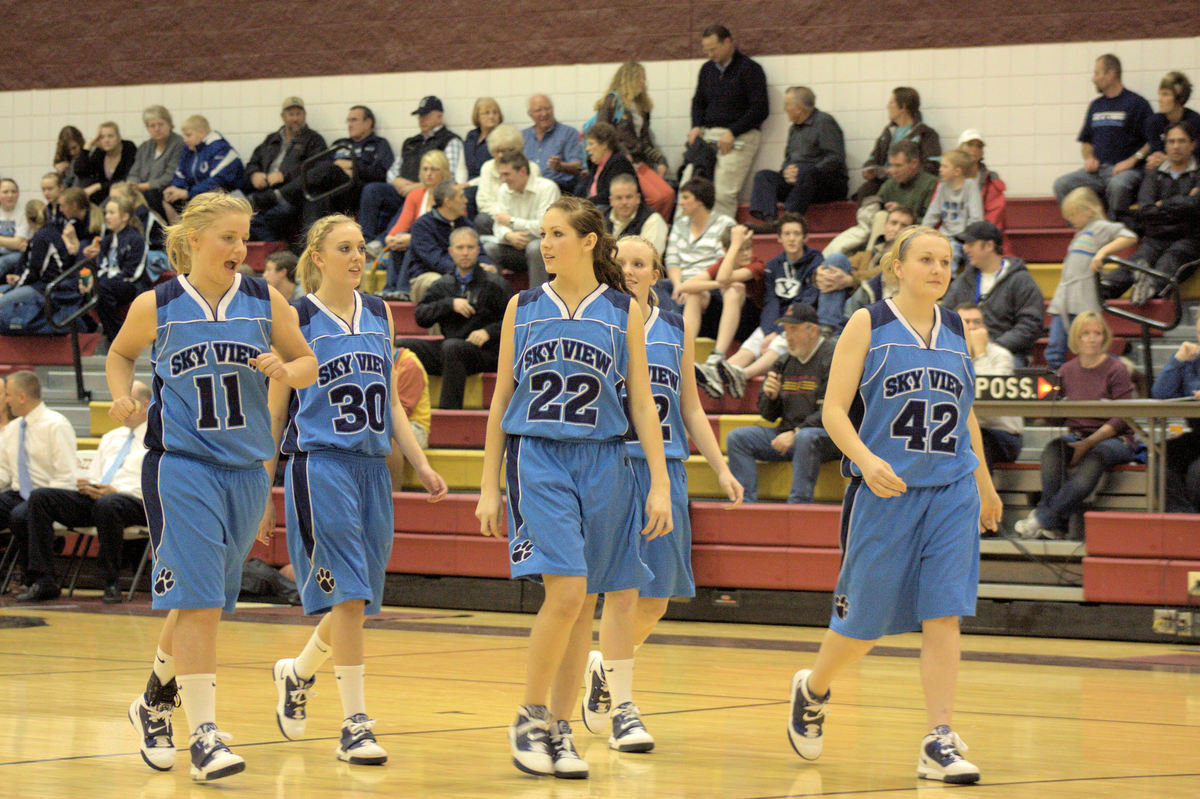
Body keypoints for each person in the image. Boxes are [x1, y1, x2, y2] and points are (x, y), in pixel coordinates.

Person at [112, 192, 317, 781]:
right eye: (228, 237)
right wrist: (123, 394)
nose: (241, 249)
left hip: (245, 469)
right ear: (195, 239)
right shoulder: (159, 303)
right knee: (199, 601)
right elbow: (122, 354)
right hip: (181, 465)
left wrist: (286, 369)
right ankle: (202, 735)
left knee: (203, 602)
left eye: (245, 237)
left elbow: (306, 363)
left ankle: (153, 701)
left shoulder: (264, 299)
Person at [788, 225, 1001, 785]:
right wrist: (867, 458)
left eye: (946, 261)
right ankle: (814, 688)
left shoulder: (956, 327)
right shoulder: (869, 323)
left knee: (944, 613)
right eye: (926, 259)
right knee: (863, 625)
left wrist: (984, 482)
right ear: (897, 267)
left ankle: (938, 739)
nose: (937, 269)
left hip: (951, 489)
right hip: (886, 491)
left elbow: (965, 410)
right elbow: (833, 410)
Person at [475, 197, 672, 778]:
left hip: (608, 459)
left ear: (589, 241)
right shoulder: (523, 306)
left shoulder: (621, 310)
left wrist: (659, 482)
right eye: (544, 234)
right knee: (564, 593)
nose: (546, 244)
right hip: (538, 457)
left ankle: (561, 727)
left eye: (557, 233)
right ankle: (530, 716)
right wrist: (489, 485)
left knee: (584, 600)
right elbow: (501, 401)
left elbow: (642, 400)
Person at [261, 214, 446, 766]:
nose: (358, 256)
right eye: (345, 248)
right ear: (318, 257)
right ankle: (354, 723)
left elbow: (389, 399)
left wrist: (420, 461)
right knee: (348, 595)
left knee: (357, 598)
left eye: (361, 247)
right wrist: (260, 489)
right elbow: (275, 411)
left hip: (371, 467)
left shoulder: (381, 312)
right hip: (319, 465)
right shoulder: (294, 317)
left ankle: (297, 673)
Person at [580, 234, 742, 738]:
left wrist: (720, 467)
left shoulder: (674, 327)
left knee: (657, 598)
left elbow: (690, 406)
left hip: (666, 468)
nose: (628, 269)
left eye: (639, 263)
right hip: (614, 461)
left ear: (657, 272)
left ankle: (604, 670)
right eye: (620, 261)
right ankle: (624, 705)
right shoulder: (597, 320)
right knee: (620, 590)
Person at [22, 381, 152, 603]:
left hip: (138, 502)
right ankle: (43, 578)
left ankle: (109, 580)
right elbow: (97, 474)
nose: (119, 407)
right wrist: (89, 485)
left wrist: (116, 490)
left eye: (126, 402)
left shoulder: (158, 440)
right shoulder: (112, 437)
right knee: (41, 497)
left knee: (109, 503)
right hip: (101, 500)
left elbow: (156, 484)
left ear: (146, 405)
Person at [1015, 313, 1135, 540]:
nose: (1091, 339)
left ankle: (1041, 519)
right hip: (1078, 435)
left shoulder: (1116, 369)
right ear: (1076, 339)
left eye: (1097, 333)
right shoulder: (1066, 371)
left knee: (1095, 458)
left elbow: (1122, 417)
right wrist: (1045, 410)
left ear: (1104, 337)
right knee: (1052, 451)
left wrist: (1088, 443)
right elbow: (1058, 416)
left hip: (1114, 438)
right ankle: (1054, 525)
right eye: (1085, 334)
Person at [725, 302, 839, 503]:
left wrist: (795, 434)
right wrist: (771, 397)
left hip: (827, 437)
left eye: (793, 330)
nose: (787, 337)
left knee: (806, 437)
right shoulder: (784, 360)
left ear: (812, 331)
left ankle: (798, 505)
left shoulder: (833, 356)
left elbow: (832, 412)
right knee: (738, 438)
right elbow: (768, 415)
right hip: (788, 433)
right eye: (785, 330)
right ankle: (745, 504)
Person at [398, 226, 511, 409]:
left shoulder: (495, 284)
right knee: (403, 346)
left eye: (470, 247)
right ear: (451, 252)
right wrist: (448, 304)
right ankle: (403, 408)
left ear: (477, 250)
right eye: (460, 248)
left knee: (452, 347)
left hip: (486, 353)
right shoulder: (442, 285)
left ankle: (448, 413)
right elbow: (421, 316)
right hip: (451, 350)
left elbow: (515, 322)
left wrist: (488, 332)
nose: (465, 253)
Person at [0, 371, 78, 601]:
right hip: (18, 494)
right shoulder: (12, 430)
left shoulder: (55, 424)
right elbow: (4, 473)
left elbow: (66, 475)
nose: (6, 400)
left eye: (8, 395)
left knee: (23, 513)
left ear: (22, 397)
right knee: (16, 510)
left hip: (50, 495)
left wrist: (41, 500)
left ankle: (42, 580)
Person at [1102, 121, 1200, 305]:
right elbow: (1145, 210)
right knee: (1139, 259)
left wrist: (1162, 205)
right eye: (1171, 142)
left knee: (1171, 260)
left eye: (1181, 141)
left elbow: (1196, 205)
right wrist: (1182, 205)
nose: (1176, 146)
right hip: (1157, 236)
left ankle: (1149, 288)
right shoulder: (1154, 173)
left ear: (1193, 144)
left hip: (1190, 240)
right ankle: (1105, 288)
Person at [1046, 187, 1137, 369]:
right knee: (1054, 349)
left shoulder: (1099, 228)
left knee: (1091, 349)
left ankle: (1121, 368)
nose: (1070, 220)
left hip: (1083, 299)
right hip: (1065, 298)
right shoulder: (1082, 232)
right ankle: (1057, 389)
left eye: (1073, 214)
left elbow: (1129, 236)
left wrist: (1102, 252)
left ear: (1089, 210)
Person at [1052, 54, 1153, 216]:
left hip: (1127, 171)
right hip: (1098, 172)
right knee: (1062, 184)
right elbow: (1086, 142)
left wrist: (1131, 161)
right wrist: (1089, 158)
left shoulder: (1137, 104)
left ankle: (1114, 231)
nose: (1093, 79)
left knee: (1118, 185)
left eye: (1097, 73)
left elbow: (1152, 141)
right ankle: (1083, 231)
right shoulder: (1096, 106)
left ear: (1111, 74)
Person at [687, 24, 768, 219]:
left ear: (728, 42)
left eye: (713, 49)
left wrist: (733, 131)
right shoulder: (707, 70)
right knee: (689, 187)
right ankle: (687, 237)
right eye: (706, 50)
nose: (709, 54)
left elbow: (760, 109)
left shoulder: (750, 69)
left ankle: (720, 240)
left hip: (740, 136)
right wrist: (696, 126)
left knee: (724, 192)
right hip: (709, 134)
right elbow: (698, 102)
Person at [939, 221, 1044, 367]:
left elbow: (1030, 325)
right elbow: (945, 317)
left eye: (970, 244)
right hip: (965, 352)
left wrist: (995, 346)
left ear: (989, 246)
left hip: (1008, 352)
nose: (965, 249)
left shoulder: (1020, 281)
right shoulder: (964, 280)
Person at [359, 96, 465, 240]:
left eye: (426, 115)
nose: (421, 119)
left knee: (414, 197)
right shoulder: (411, 142)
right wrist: (397, 181)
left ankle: (382, 243)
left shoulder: (450, 141)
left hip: (428, 190)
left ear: (439, 117)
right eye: (420, 115)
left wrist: (419, 186)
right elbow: (392, 171)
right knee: (372, 190)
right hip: (402, 189)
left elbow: (449, 175)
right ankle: (365, 238)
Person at [683, 224, 766, 398]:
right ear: (726, 251)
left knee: (734, 289)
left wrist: (735, 246)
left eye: (748, 248)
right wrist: (716, 284)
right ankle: (684, 353)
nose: (746, 253)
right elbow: (687, 285)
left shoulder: (756, 265)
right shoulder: (723, 262)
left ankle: (717, 356)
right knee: (695, 294)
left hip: (749, 324)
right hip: (726, 321)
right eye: (740, 249)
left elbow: (724, 277)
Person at [748, 86, 847, 226]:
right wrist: (787, 172)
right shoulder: (793, 129)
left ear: (798, 108)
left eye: (787, 104)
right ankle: (770, 221)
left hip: (825, 185)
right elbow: (788, 160)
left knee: (806, 171)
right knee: (763, 176)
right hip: (800, 185)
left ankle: (789, 220)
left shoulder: (824, 122)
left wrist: (804, 171)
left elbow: (835, 158)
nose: (784, 109)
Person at [824, 140, 938, 258]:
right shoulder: (890, 184)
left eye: (898, 165)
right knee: (875, 217)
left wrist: (901, 212)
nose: (892, 171)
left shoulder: (931, 184)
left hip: (912, 235)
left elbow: (930, 223)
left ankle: (870, 260)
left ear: (914, 163)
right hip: (883, 234)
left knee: (882, 217)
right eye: (890, 165)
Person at [592, 62, 673, 216]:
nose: (643, 82)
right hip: (621, 163)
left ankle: (655, 230)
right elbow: (601, 133)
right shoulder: (613, 102)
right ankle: (642, 228)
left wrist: (660, 160)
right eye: (640, 78)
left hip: (638, 160)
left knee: (668, 195)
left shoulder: (641, 107)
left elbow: (644, 141)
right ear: (628, 79)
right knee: (654, 198)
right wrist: (622, 152)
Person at [294, 106, 394, 231]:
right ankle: (311, 244)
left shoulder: (379, 144)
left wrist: (352, 166)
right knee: (314, 193)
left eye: (354, 120)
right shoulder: (340, 143)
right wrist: (338, 167)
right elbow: (320, 167)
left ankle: (286, 193)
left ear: (368, 123)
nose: (349, 125)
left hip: (356, 191)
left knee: (330, 172)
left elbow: (382, 173)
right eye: (348, 121)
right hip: (333, 189)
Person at [245, 97, 328, 242]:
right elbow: (253, 162)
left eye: (298, 114)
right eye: (291, 114)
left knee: (267, 217)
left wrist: (285, 176)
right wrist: (254, 174)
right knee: (238, 213)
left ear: (304, 116)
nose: (295, 118)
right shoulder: (271, 139)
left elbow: (316, 170)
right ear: (283, 117)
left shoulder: (314, 140)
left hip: (292, 195)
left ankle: (276, 252)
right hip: (264, 191)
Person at [375, 150, 455, 298]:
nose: (428, 174)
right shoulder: (416, 195)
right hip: (416, 244)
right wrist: (392, 238)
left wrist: (414, 239)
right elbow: (400, 226)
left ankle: (404, 290)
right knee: (398, 243)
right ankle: (389, 290)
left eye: (433, 169)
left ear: (443, 172)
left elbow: (451, 232)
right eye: (425, 169)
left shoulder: (451, 196)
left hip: (439, 248)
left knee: (413, 245)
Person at [390, 181, 484, 304]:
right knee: (439, 284)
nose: (466, 200)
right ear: (448, 202)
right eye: (461, 196)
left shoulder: (467, 225)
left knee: (491, 280)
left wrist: (487, 265)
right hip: (425, 276)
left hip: (460, 272)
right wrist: (466, 270)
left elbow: (481, 252)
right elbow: (435, 260)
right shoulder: (421, 226)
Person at [956, 304, 1023, 471]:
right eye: (966, 322)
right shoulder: (947, 355)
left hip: (1002, 435)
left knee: (975, 440)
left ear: (985, 327)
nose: (972, 327)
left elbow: (988, 391)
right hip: (961, 433)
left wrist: (980, 355)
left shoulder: (1001, 356)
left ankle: (983, 496)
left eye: (977, 322)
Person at [482, 152, 561, 287]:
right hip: (514, 246)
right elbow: (499, 224)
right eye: (501, 175)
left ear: (523, 171)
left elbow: (545, 229)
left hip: (545, 246)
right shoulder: (504, 190)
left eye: (507, 174)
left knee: (535, 248)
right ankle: (500, 296)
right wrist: (508, 235)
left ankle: (537, 298)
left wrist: (512, 222)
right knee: (488, 248)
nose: (503, 179)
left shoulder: (547, 188)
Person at [1150, 312, 1200, 512]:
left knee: (1197, 472)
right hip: (1197, 435)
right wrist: (1177, 361)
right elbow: (1161, 394)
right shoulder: (1190, 359)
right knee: (1159, 454)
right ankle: (1183, 517)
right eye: (1199, 332)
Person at [855, 87, 942, 201]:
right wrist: (869, 170)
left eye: (891, 102)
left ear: (903, 107)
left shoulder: (926, 133)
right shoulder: (887, 133)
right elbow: (873, 158)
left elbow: (933, 166)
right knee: (865, 192)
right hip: (884, 180)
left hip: (912, 183)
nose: (888, 106)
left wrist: (904, 171)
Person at [85, 195, 149, 348]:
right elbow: (102, 267)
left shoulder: (136, 240)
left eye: (112, 213)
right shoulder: (107, 240)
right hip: (108, 284)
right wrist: (89, 281)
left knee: (102, 287)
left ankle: (118, 336)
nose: (107, 217)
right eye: (106, 213)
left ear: (125, 217)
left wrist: (100, 282)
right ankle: (91, 331)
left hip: (130, 285)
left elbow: (133, 273)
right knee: (79, 284)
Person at [664, 177, 735, 303]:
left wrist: (691, 286)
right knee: (652, 288)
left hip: (709, 284)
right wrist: (678, 286)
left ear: (700, 201)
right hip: (680, 282)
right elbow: (672, 261)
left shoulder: (725, 224)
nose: (680, 203)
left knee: (694, 296)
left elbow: (722, 262)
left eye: (685, 197)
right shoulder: (679, 224)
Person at [163, 117, 245, 223]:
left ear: (201, 133)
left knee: (205, 206)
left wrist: (188, 193)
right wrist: (174, 189)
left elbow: (218, 182)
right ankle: (179, 235)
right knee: (165, 199)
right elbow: (180, 174)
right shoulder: (189, 149)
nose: (184, 139)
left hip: (229, 197)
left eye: (188, 135)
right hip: (198, 196)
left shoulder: (221, 149)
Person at [840, 206, 914, 319]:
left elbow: (882, 273)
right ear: (885, 226)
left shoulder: (905, 257)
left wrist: (852, 279)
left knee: (851, 301)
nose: (896, 229)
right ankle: (827, 328)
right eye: (893, 223)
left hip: (877, 299)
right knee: (836, 260)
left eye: (903, 226)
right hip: (858, 293)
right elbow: (854, 261)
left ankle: (832, 330)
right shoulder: (874, 248)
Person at [0, 200, 69, 315]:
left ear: (28, 219)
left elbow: (33, 271)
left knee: (2, 298)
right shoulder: (45, 233)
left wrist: (13, 289)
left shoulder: (41, 238)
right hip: (39, 283)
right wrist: (18, 278)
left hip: (46, 287)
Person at [473, 124, 541, 235]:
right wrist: (504, 216)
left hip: (526, 220)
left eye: (504, 151)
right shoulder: (487, 167)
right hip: (497, 217)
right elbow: (483, 202)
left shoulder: (531, 168)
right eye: (496, 151)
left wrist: (513, 219)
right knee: (482, 219)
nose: (500, 155)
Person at [922, 150, 983, 264]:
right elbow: (932, 214)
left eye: (944, 166)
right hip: (946, 237)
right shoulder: (942, 187)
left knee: (975, 258)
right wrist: (922, 232)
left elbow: (976, 217)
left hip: (966, 237)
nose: (940, 169)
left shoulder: (970, 186)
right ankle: (949, 280)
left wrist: (968, 238)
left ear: (957, 171)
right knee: (949, 253)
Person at [523, 95, 584, 196]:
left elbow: (579, 166)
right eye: (538, 110)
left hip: (559, 189)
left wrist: (561, 166)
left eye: (547, 109)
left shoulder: (568, 133)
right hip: (528, 191)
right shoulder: (522, 136)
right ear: (530, 114)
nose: (544, 113)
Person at [129, 106, 185, 215]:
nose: (157, 129)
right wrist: (132, 184)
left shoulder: (179, 144)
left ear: (169, 124)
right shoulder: (145, 147)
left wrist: (144, 186)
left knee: (149, 196)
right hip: (142, 192)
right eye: (152, 126)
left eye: (160, 124)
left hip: (164, 194)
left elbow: (170, 176)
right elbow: (134, 173)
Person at [603, 174, 669, 257]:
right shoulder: (601, 217)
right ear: (611, 201)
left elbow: (649, 258)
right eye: (619, 198)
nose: (624, 202)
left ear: (638, 198)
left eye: (629, 197)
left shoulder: (653, 220)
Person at [74, 121, 138, 207]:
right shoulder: (100, 152)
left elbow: (126, 178)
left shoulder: (128, 148)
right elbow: (80, 171)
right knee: (81, 185)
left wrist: (98, 186)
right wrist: (88, 146)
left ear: (119, 137)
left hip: (122, 192)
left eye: (110, 136)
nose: (106, 140)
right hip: (104, 193)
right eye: (102, 137)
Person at [1145, 72, 1199, 170]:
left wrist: (1167, 158)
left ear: (1180, 98)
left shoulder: (1195, 121)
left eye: (1165, 94)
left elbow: (1196, 154)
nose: (1159, 99)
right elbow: (1155, 151)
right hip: (1162, 169)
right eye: (1160, 94)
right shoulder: (1153, 122)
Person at [956, 130, 1007, 231]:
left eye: (979, 146)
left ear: (982, 152)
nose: (974, 149)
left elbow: (994, 216)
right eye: (970, 145)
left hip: (981, 236)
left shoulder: (991, 181)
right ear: (959, 149)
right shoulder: (947, 179)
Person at [583, 122, 636, 208]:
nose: (587, 148)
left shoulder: (619, 162)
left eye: (591, 144)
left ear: (604, 145)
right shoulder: (596, 164)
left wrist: (585, 203)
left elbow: (610, 194)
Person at [465, 97, 504, 181]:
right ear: (477, 116)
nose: (491, 116)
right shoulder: (471, 136)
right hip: (468, 182)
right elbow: (463, 167)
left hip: (490, 183)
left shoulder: (502, 138)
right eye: (487, 113)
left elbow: (497, 173)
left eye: (495, 112)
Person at [0, 179, 29, 278]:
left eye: (13, 192)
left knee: (2, 262)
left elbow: (18, 243)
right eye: (5, 192)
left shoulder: (24, 214)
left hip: (16, 255)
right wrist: (10, 241)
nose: (10, 195)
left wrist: (14, 243)